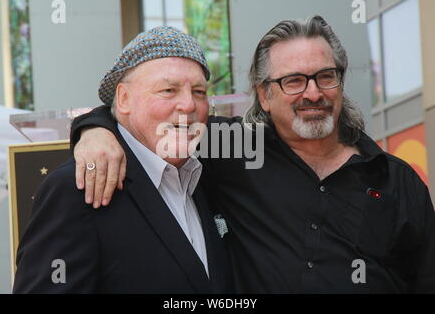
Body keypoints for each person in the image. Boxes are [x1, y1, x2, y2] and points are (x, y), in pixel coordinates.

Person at [71, 16, 435, 293]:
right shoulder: (233, 149)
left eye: (325, 76)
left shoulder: (395, 180)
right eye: (292, 81)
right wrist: (95, 130)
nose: (312, 93)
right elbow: (157, 118)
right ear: (264, 95)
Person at [13, 26, 233, 293]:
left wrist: (93, 125)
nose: (188, 105)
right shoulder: (77, 189)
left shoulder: (208, 173)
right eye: (168, 90)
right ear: (124, 99)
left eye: (199, 92)